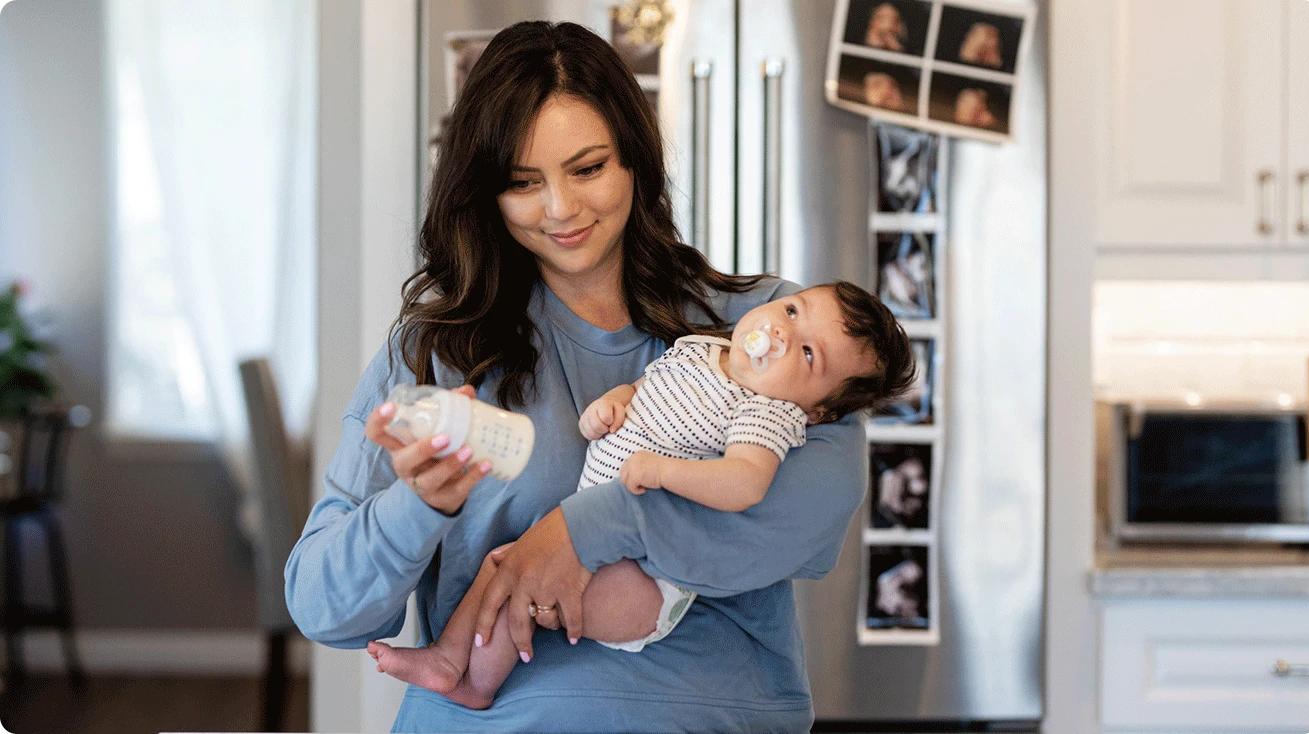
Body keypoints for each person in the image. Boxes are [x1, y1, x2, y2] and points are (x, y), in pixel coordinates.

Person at [285, 20, 883, 732]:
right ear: (486, 192)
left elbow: (812, 516)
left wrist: (579, 529)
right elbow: (325, 608)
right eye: (523, 182)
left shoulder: (763, 331)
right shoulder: (438, 351)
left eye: (589, 168)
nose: (561, 209)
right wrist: (417, 508)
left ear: (635, 159)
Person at [366, 282, 916, 708]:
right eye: (792, 312)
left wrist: (665, 472)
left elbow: (744, 483)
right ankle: (447, 659)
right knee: (505, 565)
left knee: (527, 587)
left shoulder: (767, 412)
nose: (780, 335)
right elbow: (651, 390)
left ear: (818, 410)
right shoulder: (701, 349)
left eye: (808, 355)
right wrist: (617, 400)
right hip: (597, 533)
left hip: (647, 582)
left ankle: (476, 684)